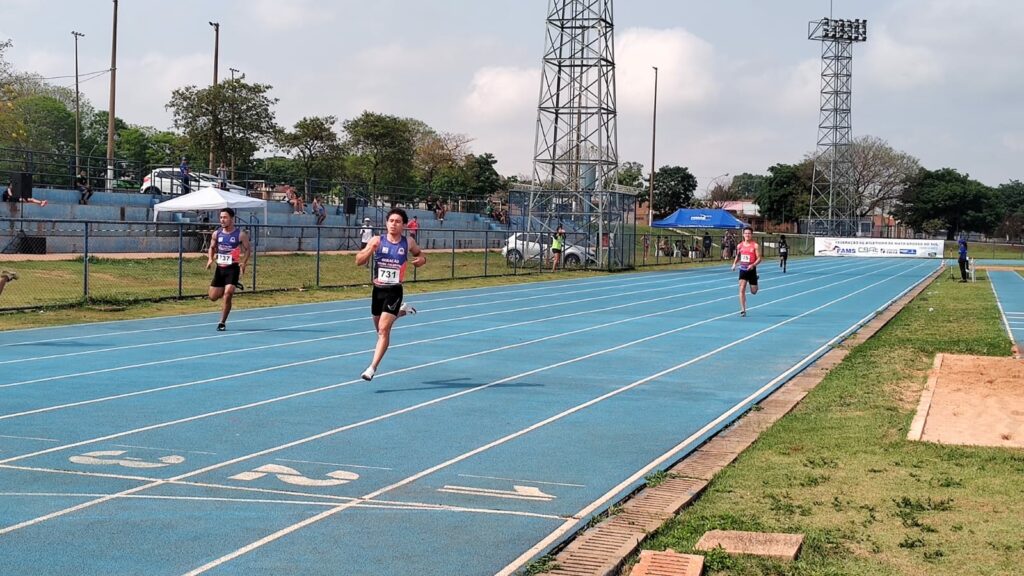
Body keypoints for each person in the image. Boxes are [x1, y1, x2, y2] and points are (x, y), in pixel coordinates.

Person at [355, 207, 427, 381]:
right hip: (377, 290)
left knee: (383, 330)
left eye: (398, 221)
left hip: (394, 290)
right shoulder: (377, 240)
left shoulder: (408, 242)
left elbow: (421, 255)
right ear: (386, 223)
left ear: (403, 225)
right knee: (379, 327)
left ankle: (372, 368)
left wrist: (420, 261)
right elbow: (358, 261)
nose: (394, 224)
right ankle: (402, 311)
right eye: (391, 221)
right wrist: (369, 251)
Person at [205, 208, 251, 331]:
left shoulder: (240, 234)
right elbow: (212, 247)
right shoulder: (216, 234)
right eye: (221, 217)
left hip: (232, 269)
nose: (222, 220)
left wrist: (243, 263)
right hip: (220, 269)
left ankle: (222, 322)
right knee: (213, 297)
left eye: (225, 217)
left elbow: (248, 249)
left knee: (228, 294)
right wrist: (210, 259)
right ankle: (228, 286)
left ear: (232, 219)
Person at [731, 226, 762, 317]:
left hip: (752, 270)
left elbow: (760, 258)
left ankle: (755, 279)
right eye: (746, 233)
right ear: (743, 234)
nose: (747, 235)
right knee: (742, 289)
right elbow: (738, 256)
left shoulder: (755, 246)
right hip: (743, 269)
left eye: (749, 233)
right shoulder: (739, 245)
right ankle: (743, 310)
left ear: (751, 235)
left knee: (754, 291)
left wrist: (753, 265)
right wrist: (734, 264)